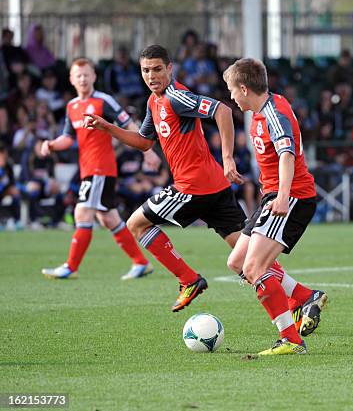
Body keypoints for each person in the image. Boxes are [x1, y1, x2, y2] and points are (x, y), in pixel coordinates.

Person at [84, 45, 320, 320]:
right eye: (146, 70)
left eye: (158, 69)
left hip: (193, 187)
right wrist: (107, 127)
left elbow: (221, 110)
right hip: (215, 188)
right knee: (245, 258)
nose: (152, 76)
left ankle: (188, 279)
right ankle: (303, 295)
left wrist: (228, 157)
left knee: (136, 224)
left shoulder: (176, 97)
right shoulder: (154, 102)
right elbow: (144, 142)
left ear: (170, 68)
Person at [223, 57, 328, 356]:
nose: (230, 97)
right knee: (237, 263)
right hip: (274, 195)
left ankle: (291, 340)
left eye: (231, 90)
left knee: (254, 267)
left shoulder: (274, 114)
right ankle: (305, 296)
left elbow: (287, 154)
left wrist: (282, 197)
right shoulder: (264, 109)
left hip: (291, 197)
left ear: (244, 88)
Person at [40, 57, 152, 280]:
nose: (82, 78)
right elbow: (67, 137)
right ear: (72, 79)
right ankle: (141, 263)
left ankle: (71, 267)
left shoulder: (103, 101)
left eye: (86, 74)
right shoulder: (72, 107)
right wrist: (51, 145)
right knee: (108, 218)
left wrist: (146, 150)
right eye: (78, 75)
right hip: (88, 168)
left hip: (100, 168)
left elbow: (127, 122)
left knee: (82, 212)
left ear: (94, 76)